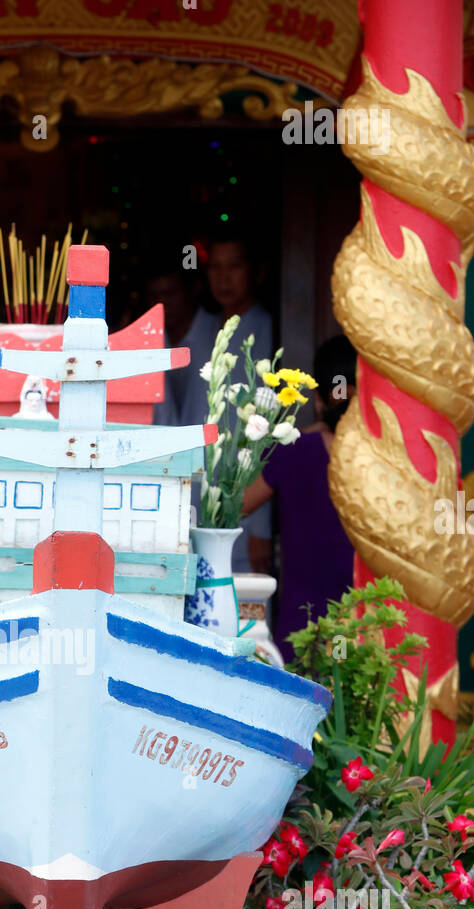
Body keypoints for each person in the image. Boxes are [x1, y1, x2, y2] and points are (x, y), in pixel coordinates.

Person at [240, 335, 357, 663]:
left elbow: (231, 508)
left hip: (302, 630)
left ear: (319, 399)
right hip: (363, 628)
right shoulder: (385, 458)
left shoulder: (295, 451)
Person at [206, 233, 273, 574]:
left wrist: (260, 526)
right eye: (215, 267)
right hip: (202, 502)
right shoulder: (206, 329)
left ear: (255, 272)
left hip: (246, 512)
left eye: (234, 266)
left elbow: (266, 430)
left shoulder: (264, 330)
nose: (223, 277)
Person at [147, 266, 220, 430]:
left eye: (170, 294)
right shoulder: (146, 341)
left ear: (193, 290)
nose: (161, 304)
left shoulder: (217, 333)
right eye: (154, 296)